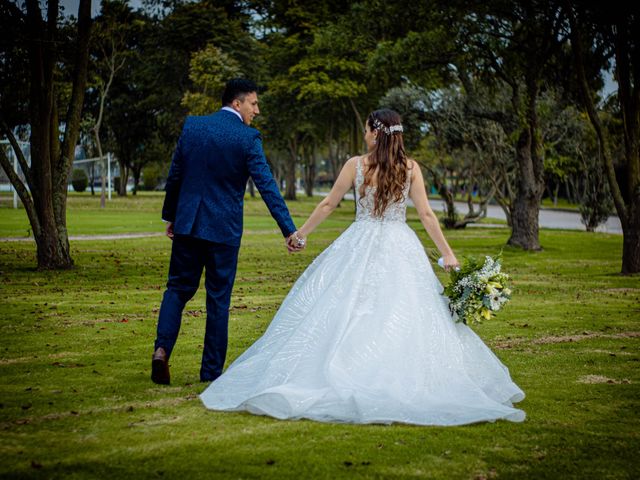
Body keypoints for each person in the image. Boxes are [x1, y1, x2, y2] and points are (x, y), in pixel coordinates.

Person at [201, 109, 525, 425]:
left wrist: (300, 235)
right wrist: (448, 254)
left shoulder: (356, 165)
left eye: (368, 128)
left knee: (347, 305)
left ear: (375, 133)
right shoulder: (410, 168)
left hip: (360, 238)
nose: (365, 134)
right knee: (402, 306)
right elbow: (426, 214)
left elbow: (329, 203)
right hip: (400, 242)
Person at [151, 78, 305, 386]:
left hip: (188, 225)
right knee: (218, 301)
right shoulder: (248, 138)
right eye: (253, 103)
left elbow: (175, 176)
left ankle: (161, 350)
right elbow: (267, 187)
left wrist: (172, 216)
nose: (257, 111)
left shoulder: (192, 127)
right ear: (237, 103)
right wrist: (288, 229)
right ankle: (210, 373)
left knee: (177, 290)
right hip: (223, 231)